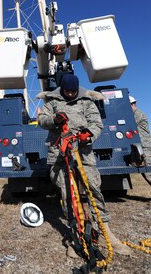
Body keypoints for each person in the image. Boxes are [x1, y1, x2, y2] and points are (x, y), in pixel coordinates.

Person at [37, 74, 131, 256]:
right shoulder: (52, 101)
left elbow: (97, 123)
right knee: (68, 193)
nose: (71, 94)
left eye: (73, 91)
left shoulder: (87, 101)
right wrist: (54, 120)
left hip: (83, 153)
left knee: (93, 188)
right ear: (62, 89)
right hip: (60, 154)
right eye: (67, 91)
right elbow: (42, 120)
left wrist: (88, 135)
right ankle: (77, 235)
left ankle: (105, 233)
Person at [129, 95, 151, 185]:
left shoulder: (138, 114)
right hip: (139, 146)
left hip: (144, 146)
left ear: (132, 104)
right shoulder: (134, 114)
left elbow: (129, 125)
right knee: (144, 170)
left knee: (148, 171)